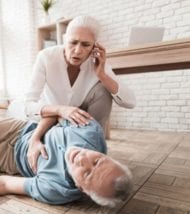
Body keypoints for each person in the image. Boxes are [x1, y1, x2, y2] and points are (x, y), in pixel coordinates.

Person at [0, 117, 133, 211]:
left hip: (10, 160)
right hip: (19, 130)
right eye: (97, 161)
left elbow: (4, 184)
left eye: (86, 174)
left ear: (81, 189)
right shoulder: (90, 131)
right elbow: (52, 115)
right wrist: (35, 139)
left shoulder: (57, 191)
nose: (82, 159)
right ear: (106, 155)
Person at [25, 15, 136, 172]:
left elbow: (130, 102)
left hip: (83, 123)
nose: (77, 50)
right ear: (65, 39)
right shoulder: (46, 57)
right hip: (51, 120)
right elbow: (28, 105)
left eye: (85, 45)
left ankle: (93, 149)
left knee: (103, 89)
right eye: (73, 42)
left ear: (94, 47)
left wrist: (102, 74)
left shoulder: (96, 63)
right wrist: (60, 109)